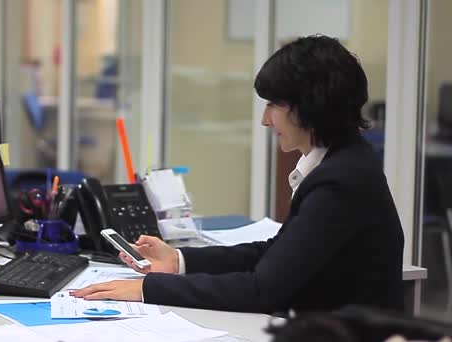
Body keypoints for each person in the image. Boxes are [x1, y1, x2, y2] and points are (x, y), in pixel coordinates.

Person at [71, 35, 405, 314]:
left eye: (273, 104)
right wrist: (178, 259)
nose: (265, 120)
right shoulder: (340, 162)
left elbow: (262, 290)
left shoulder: (340, 181)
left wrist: (147, 287)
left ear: (310, 105)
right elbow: (276, 253)